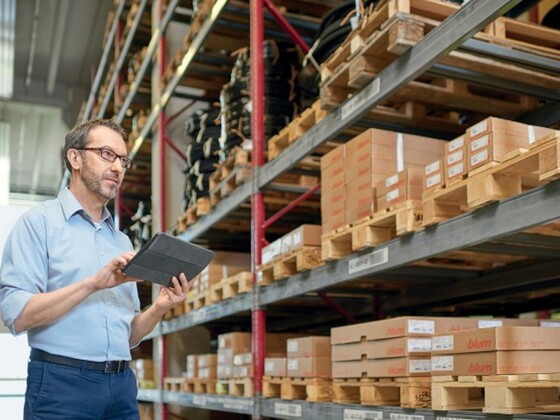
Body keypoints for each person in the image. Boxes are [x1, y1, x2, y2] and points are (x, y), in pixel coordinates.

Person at [0, 119, 191, 419]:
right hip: (62, 386)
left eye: (123, 160)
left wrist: (160, 307)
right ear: (75, 158)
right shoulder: (38, 225)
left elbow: (128, 336)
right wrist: (93, 283)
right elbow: (17, 315)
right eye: (106, 154)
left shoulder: (121, 240)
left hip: (121, 386)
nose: (117, 167)